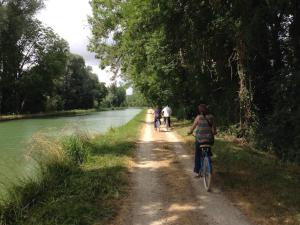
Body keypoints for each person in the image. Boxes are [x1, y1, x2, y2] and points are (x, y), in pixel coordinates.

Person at [187, 104, 216, 177]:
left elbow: (192, 128)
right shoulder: (211, 117)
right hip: (209, 140)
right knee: (208, 149)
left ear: (199, 111)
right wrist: (213, 132)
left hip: (199, 140)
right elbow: (214, 131)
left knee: (198, 154)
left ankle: (198, 171)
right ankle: (208, 157)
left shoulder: (198, 117)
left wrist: (190, 132)